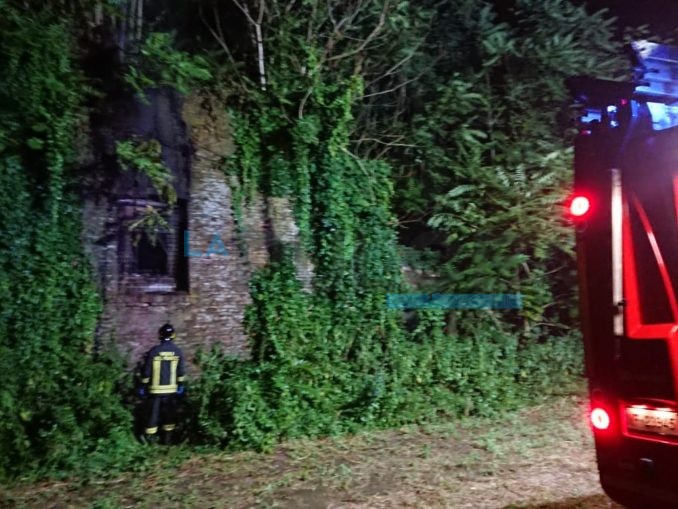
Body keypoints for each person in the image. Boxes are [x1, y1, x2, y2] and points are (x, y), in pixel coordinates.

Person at [138, 323, 186, 444]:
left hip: (155, 391)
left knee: (152, 415)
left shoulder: (154, 351)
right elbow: (181, 372)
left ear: (160, 335)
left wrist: (143, 385)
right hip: (171, 391)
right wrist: (181, 385)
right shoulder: (177, 351)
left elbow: (147, 371)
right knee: (169, 415)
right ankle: (167, 440)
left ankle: (150, 441)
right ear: (173, 335)